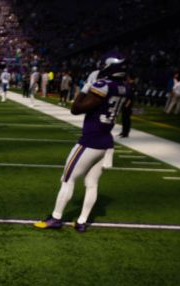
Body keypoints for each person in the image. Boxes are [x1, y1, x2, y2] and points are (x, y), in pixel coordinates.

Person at [33, 59, 127, 233]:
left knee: (67, 179)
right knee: (92, 183)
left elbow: (76, 108)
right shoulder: (123, 88)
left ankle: (56, 218)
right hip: (106, 140)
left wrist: (85, 89)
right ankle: (82, 222)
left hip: (90, 141)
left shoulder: (103, 85)